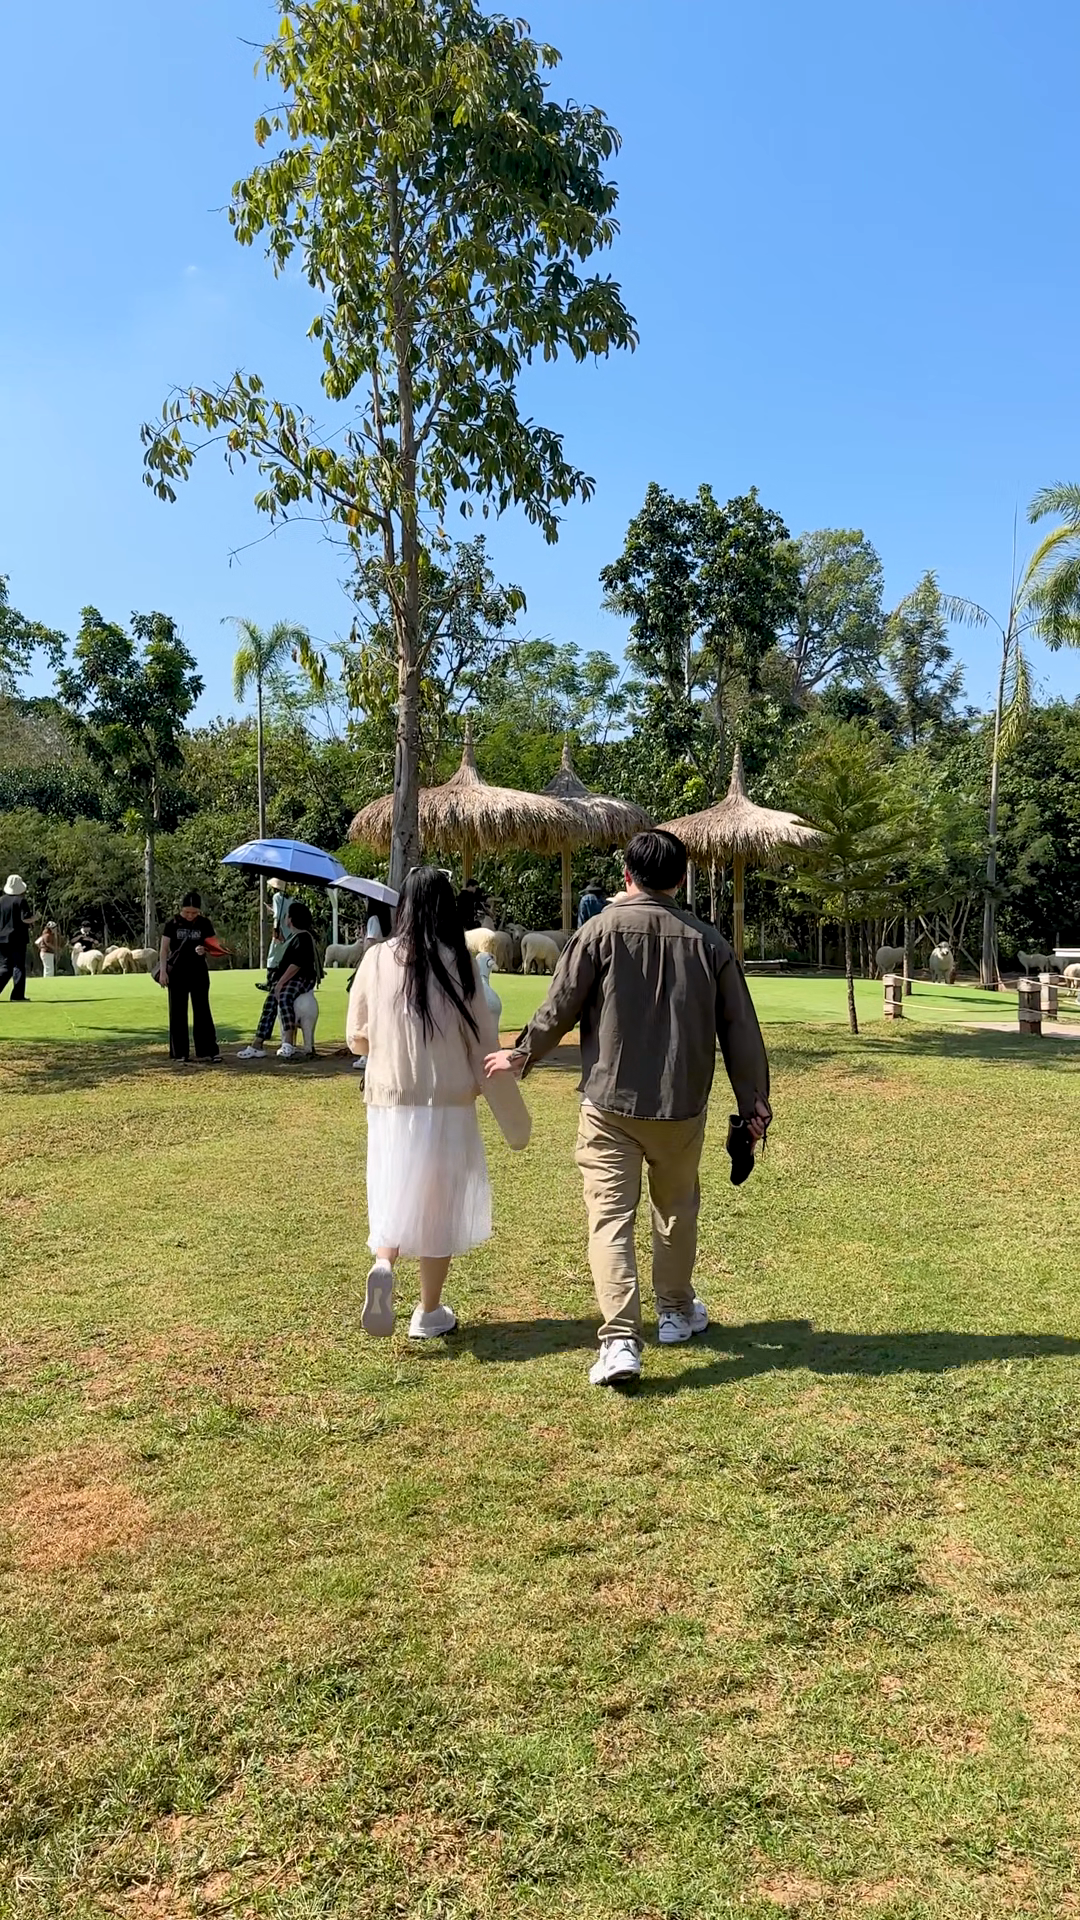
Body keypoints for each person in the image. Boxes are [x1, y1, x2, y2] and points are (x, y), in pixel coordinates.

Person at [487, 829, 771, 1389]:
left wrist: (521, 1054)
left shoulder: (597, 931)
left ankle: (620, 1339)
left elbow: (560, 1006)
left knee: (610, 1218)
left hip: (608, 1103)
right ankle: (674, 1311)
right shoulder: (709, 941)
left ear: (626, 876)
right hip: (681, 1105)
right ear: (681, 878)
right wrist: (754, 1101)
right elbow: (740, 1027)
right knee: (676, 1210)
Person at [347, 865, 529, 1341]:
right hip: (448, 1100)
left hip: (389, 1100)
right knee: (438, 1205)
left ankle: (384, 1264)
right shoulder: (461, 963)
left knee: (392, 1187)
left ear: (403, 907)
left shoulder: (375, 959)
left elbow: (356, 1039)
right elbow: (482, 1041)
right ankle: (428, 1311)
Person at [238, 899, 323, 1061]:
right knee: (270, 1002)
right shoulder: (294, 937)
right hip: (291, 978)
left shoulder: (303, 937)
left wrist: (281, 983)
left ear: (291, 919)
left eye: (287, 916)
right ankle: (258, 1043)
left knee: (284, 995)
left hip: (301, 978)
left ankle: (288, 1042)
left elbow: (297, 964)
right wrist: (279, 942)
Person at [158, 891, 222, 1066]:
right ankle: (179, 1052)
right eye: (187, 912)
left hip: (198, 971)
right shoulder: (172, 924)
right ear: (181, 909)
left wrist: (204, 949)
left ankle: (208, 1050)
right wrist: (163, 972)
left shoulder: (204, 923)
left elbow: (214, 946)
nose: (190, 916)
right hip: (177, 972)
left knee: (202, 1010)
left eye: (194, 912)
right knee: (178, 1012)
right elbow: (164, 949)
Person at [0, 876, 33, 1001]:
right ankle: (17, 995)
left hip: (2, 938)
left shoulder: (1, 900)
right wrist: (36, 917)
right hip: (17, 938)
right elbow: (25, 919)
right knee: (18, 966)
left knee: (5, 967)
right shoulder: (20, 901)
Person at [259, 877, 294, 992]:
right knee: (283, 956)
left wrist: (276, 930)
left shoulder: (277, 897)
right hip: (290, 931)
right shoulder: (290, 899)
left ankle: (271, 982)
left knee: (273, 956)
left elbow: (278, 916)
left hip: (281, 930)